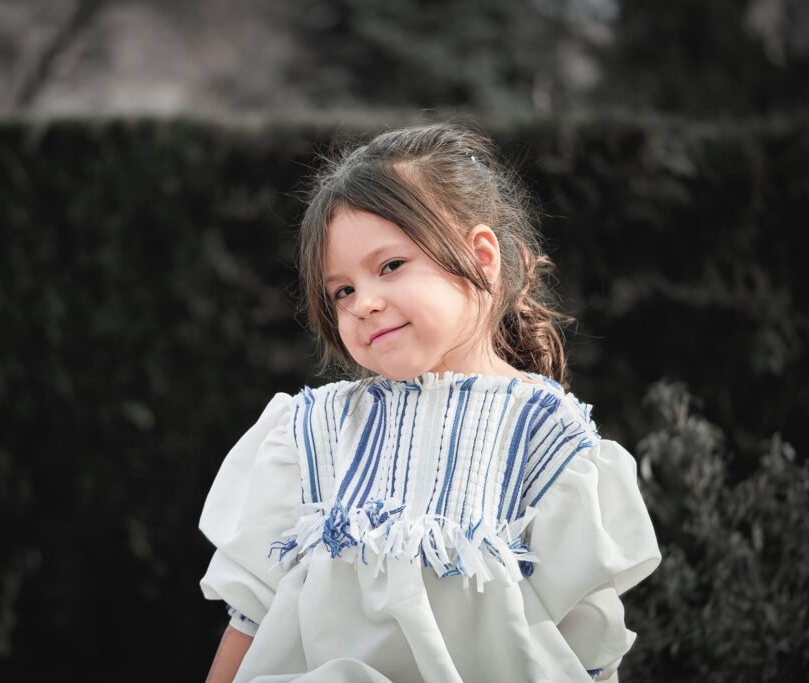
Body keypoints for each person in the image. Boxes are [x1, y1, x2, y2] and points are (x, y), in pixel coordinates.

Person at [198, 121, 661, 682]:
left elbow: (587, 645)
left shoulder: (545, 434)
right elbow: (251, 613)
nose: (363, 303)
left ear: (481, 256)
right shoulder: (312, 432)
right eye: (341, 290)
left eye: (390, 266)